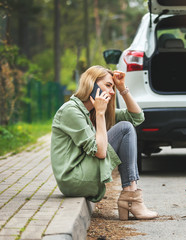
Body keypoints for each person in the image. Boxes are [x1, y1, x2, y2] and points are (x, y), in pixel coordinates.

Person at [50, 65, 158, 220]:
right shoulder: (71, 110)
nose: (112, 92)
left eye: (112, 87)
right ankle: (131, 198)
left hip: (82, 171)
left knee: (127, 126)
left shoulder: (92, 110)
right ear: (91, 84)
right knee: (124, 129)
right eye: (108, 85)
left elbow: (137, 118)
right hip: (73, 179)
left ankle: (131, 197)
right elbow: (100, 152)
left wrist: (122, 89)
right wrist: (100, 115)